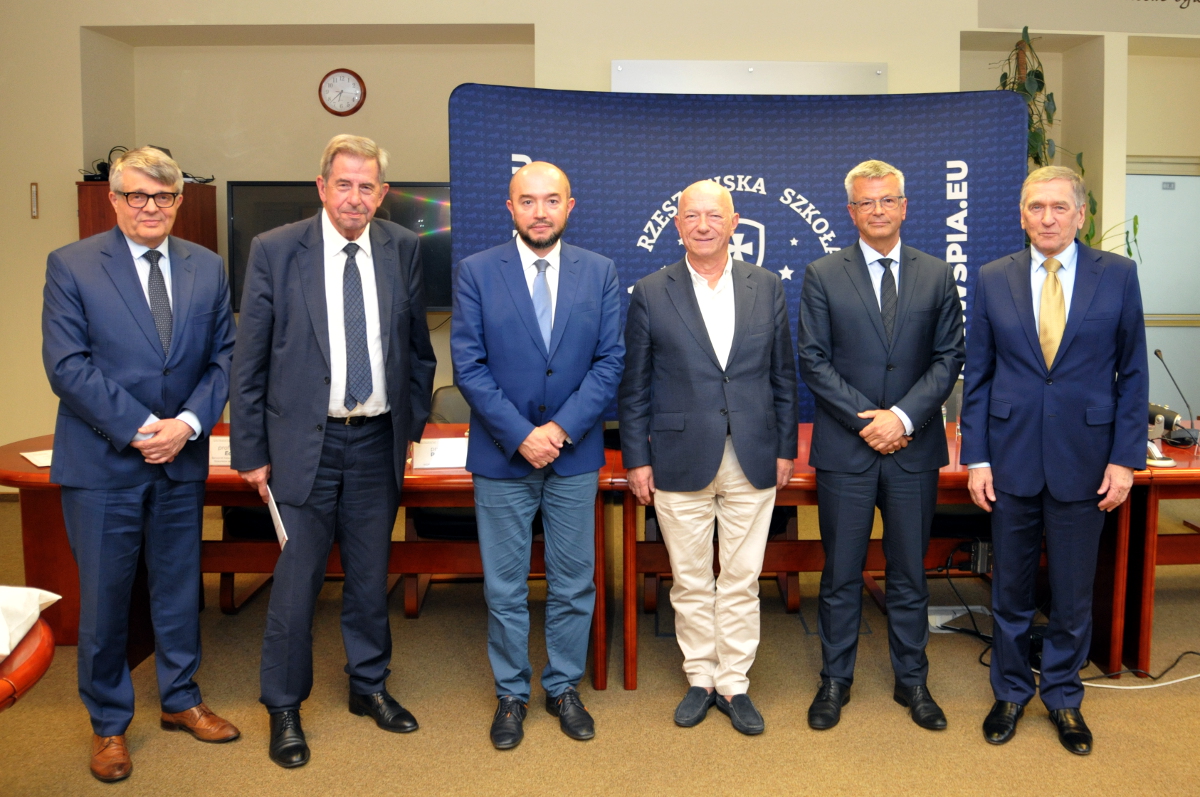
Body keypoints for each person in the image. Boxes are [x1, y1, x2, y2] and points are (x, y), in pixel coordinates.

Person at [230, 134, 437, 768]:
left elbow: (418, 351)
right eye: (343, 184)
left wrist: (410, 430)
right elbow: (250, 360)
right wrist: (250, 450)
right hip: (302, 446)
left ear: (382, 193)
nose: (355, 197)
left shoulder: (402, 248)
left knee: (371, 579)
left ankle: (368, 686)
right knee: (297, 584)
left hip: (376, 441)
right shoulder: (276, 249)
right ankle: (283, 706)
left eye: (367, 186)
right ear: (321, 187)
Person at [42, 146, 238, 782]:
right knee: (106, 600)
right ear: (114, 199)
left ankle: (180, 698)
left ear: (179, 201)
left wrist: (186, 425)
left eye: (163, 196)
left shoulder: (207, 267)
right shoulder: (72, 265)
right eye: (137, 195)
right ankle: (108, 724)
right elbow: (67, 366)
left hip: (180, 458)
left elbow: (223, 358)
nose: (150, 207)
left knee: (178, 588)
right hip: (104, 464)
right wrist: (139, 429)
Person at [960, 165, 1148, 756]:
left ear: (1080, 215)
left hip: (1086, 461)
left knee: (1071, 594)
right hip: (1009, 459)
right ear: (1022, 216)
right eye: (1036, 207)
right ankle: (1011, 692)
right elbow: (978, 376)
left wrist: (1125, 460)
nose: (1047, 218)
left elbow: (1133, 373)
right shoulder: (993, 277)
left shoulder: (1117, 275)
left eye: (1059, 207)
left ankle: (1064, 696)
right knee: (1010, 591)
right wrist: (976, 457)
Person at [451, 162, 624, 750]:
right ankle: (511, 693)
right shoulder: (477, 271)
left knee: (574, 583)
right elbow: (469, 365)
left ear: (570, 207)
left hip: (573, 455)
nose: (540, 212)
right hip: (503, 456)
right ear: (511, 208)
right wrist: (523, 434)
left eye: (552, 200)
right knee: (504, 587)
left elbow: (610, 362)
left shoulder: (598, 272)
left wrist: (560, 429)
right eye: (528, 201)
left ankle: (563, 686)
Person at [619, 180, 797, 736]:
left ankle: (734, 683)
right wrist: (636, 459)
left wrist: (785, 448)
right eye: (691, 216)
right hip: (678, 456)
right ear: (677, 226)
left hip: (753, 453)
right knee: (691, 580)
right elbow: (634, 385)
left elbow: (783, 376)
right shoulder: (651, 291)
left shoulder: (766, 286)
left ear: (734, 222)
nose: (703, 225)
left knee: (741, 578)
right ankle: (700, 676)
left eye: (714, 216)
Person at [796, 159, 965, 732]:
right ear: (851, 212)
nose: (877, 210)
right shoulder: (822, 274)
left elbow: (949, 357)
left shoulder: (936, 274)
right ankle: (834, 680)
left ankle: (912, 680)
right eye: (866, 202)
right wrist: (869, 422)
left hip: (914, 449)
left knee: (909, 574)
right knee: (841, 573)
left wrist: (902, 418)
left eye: (887, 200)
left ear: (904, 206)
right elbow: (813, 360)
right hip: (847, 450)